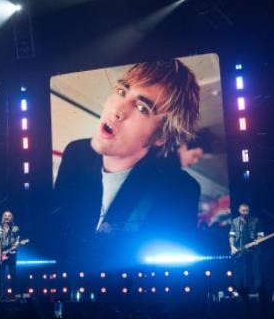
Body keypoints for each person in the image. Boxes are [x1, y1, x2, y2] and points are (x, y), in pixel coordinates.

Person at [53, 60, 201, 263]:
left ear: (161, 136)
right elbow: (57, 224)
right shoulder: (76, 153)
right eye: (122, 91)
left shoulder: (180, 190)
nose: (118, 110)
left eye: (142, 108)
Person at [229, 203, 264, 293]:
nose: (245, 212)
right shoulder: (235, 221)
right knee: (238, 270)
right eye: (243, 210)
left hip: (253, 249)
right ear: (239, 210)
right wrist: (232, 247)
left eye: (247, 210)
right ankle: (238, 290)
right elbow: (231, 236)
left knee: (256, 270)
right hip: (239, 248)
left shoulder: (255, 220)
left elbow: (260, 234)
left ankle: (258, 289)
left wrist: (258, 240)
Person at [0, 211, 20, 297]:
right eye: (5, 215)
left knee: (13, 274)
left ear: (11, 218)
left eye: (9, 215)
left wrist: (15, 246)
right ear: (3, 217)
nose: (7, 217)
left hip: (11, 254)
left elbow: (17, 241)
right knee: (0, 275)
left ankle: (15, 295)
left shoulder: (15, 228)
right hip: (0, 253)